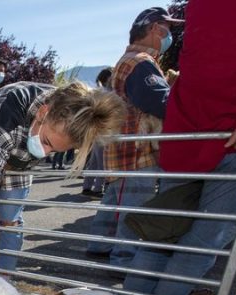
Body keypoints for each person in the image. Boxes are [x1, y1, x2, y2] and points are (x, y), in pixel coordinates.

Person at [123, 0, 236, 295]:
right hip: (234, 138)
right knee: (199, 239)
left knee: (169, 230)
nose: (169, 35)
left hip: (207, 133)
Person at [0, 82, 125, 287]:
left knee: (11, 220)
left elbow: (43, 144)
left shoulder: (68, 112)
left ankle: (2, 283)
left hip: (19, 164)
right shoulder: (12, 108)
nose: (44, 153)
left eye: (54, 151)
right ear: (42, 113)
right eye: (47, 143)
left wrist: (43, 145)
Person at [86, 7, 181, 268]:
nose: (169, 35)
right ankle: (124, 260)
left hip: (123, 147)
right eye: (167, 29)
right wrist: (179, 90)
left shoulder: (129, 60)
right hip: (138, 150)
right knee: (134, 204)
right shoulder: (141, 62)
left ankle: (101, 244)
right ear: (155, 28)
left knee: (117, 198)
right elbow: (158, 101)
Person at [82, 67, 114, 197]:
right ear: (108, 78)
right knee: (102, 163)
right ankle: (97, 189)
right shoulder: (108, 93)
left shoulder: (96, 92)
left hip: (95, 131)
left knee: (94, 162)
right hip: (103, 131)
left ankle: (87, 186)